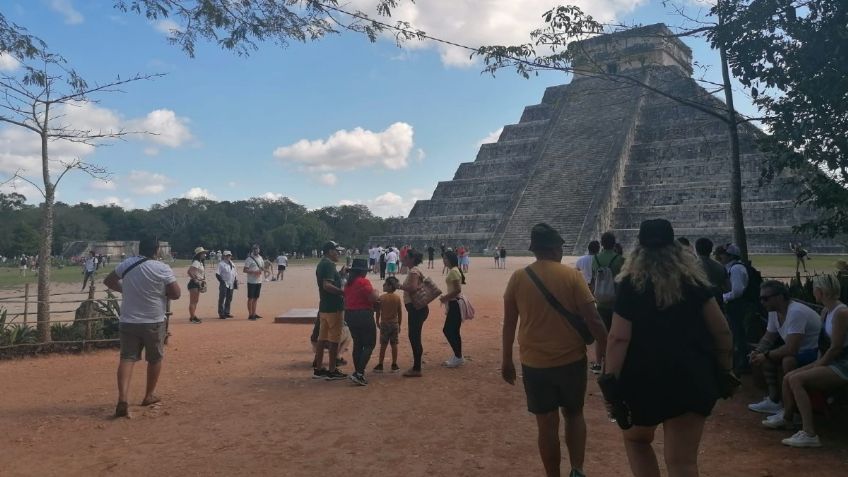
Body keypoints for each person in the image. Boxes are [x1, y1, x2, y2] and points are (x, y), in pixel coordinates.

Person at [603, 219, 735, 477]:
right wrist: (725, 368)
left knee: (637, 441)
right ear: (675, 247)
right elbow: (722, 330)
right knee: (683, 463)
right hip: (691, 375)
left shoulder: (630, 285)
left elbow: (618, 338)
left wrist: (611, 383)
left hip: (643, 379)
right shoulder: (694, 283)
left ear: (639, 249)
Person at [502, 223, 609, 477]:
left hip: (534, 364)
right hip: (571, 361)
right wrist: (603, 351)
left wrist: (506, 360)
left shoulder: (518, 278)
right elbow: (593, 319)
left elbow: (509, 323)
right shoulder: (571, 276)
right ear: (553, 249)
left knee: (546, 424)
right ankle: (577, 469)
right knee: (574, 414)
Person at [763, 274, 848, 447]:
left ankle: (809, 433)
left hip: (843, 363)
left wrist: (819, 364)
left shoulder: (841, 312)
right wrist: (818, 362)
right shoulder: (827, 311)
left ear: (819, 291)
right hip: (832, 360)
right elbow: (824, 345)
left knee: (796, 379)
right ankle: (788, 418)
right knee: (789, 377)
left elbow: (837, 347)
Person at [104, 236, 181, 418]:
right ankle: (149, 395)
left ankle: (123, 398)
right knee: (154, 358)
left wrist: (126, 289)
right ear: (157, 250)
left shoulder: (127, 264)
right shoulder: (162, 268)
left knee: (127, 358)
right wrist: (162, 292)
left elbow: (109, 281)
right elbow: (176, 293)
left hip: (129, 319)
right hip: (153, 319)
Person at [747, 280, 821, 415]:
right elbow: (769, 337)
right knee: (764, 356)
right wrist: (757, 351)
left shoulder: (796, 312)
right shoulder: (774, 312)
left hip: (816, 352)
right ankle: (774, 400)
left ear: (780, 297)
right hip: (800, 351)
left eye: (765, 298)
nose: (762, 302)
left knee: (787, 360)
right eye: (761, 299)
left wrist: (766, 354)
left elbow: (791, 348)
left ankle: (791, 408)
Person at [313, 241, 348, 381]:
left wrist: (340, 274)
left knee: (322, 339)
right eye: (336, 251)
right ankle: (332, 370)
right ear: (329, 251)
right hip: (334, 307)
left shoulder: (322, 263)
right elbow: (327, 285)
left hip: (324, 306)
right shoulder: (329, 264)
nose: (338, 253)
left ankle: (319, 368)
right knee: (334, 340)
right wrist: (342, 292)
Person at [344, 258, 379, 385]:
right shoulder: (363, 282)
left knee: (358, 343)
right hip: (363, 314)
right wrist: (376, 292)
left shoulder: (349, 283)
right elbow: (373, 298)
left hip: (350, 314)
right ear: (363, 271)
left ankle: (358, 371)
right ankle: (359, 373)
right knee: (369, 344)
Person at [716, 244, 750, 373]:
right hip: (735, 305)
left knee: (737, 335)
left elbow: (737, 292)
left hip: (737, 306)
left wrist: (722, 297)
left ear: (730, 256)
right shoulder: (732, 268)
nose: (719, 257)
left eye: (722, 254)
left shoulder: (735, 269)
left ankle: (742, 364)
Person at [397, 249, 428, 377]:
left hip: (416, 309)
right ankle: (417, 363)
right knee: (414, 336)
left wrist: (399, 286)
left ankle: (417, 368)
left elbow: (413, 288)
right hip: (417, 308)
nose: (403, 259)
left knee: (414, 337)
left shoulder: (414, 271)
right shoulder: (414, 270)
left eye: (406, 257)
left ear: (411, 259)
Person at [592, 231, 624, 330]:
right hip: (616, 301)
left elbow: (594, 277)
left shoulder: (595, 258)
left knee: (603, 333)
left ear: (602, 244)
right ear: (614, 243)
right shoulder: (620, 259)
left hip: (600, 300)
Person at [440, 250, 466, 368]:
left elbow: (457, 290)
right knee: (454, 331)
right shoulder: (454, 270)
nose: (444, 260)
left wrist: (445, 297)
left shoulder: (454, 271)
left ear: (450, 259)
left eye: (445, 258)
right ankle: (458, 356)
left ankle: (458, 356)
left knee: (448, 330)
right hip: (454, 303)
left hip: (455, 303)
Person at [375, 277, 403, 373]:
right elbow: (400, 312)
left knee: (383, 345)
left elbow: (378, 311)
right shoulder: (397, 298)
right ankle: (394, 364)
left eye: (385, 284)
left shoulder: (381, 298)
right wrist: (399, 324)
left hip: (384, 324)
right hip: (394, 324)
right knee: (394, 344)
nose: (383, 285)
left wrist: (377, 321)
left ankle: (380, 364)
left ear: (390, 286)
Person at [695, 238, 727, 308]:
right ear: (711, 250)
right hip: (718, 302)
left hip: (700, 303)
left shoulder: (692, 267)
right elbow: (727, 287)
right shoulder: (720, 266)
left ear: (696, 250)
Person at [243, 244, 265, 321]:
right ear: (253, 250)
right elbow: (245, 270)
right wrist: (253, 271)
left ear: (259, 250)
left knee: (256, 298)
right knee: (250, 298)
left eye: (257, 249)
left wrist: (261, 270)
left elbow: (262, 267)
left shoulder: (261, 258)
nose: (256, 250)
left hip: (259, 281)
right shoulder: (249, 259)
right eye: (255, 249)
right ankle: (250, 314)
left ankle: (254, 313)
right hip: (251, 281)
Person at [187, 247, 207, 324]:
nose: (204, 255)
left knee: (195, 301)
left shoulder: (200, 262)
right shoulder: (196, 262)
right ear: (199, 254)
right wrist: (196, 280)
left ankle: (193, 316)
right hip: (194, 284)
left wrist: (202, 281)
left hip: (198, 283)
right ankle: (192, 318)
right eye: (203, 253)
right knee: (193, 301)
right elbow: (189, 272)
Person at [216, 251, 237, 319]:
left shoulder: (232, 264)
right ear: (224, 256)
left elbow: (235, 273)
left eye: (229, 255)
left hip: (231, 283)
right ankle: (221, 313)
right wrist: (222, 282)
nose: (228, 257)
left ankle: (227, 312)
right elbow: (217, 274)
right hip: (224, 283)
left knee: (229, 298)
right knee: (222, 298)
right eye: (226, 255)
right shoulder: (221, 264)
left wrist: (235, 281)